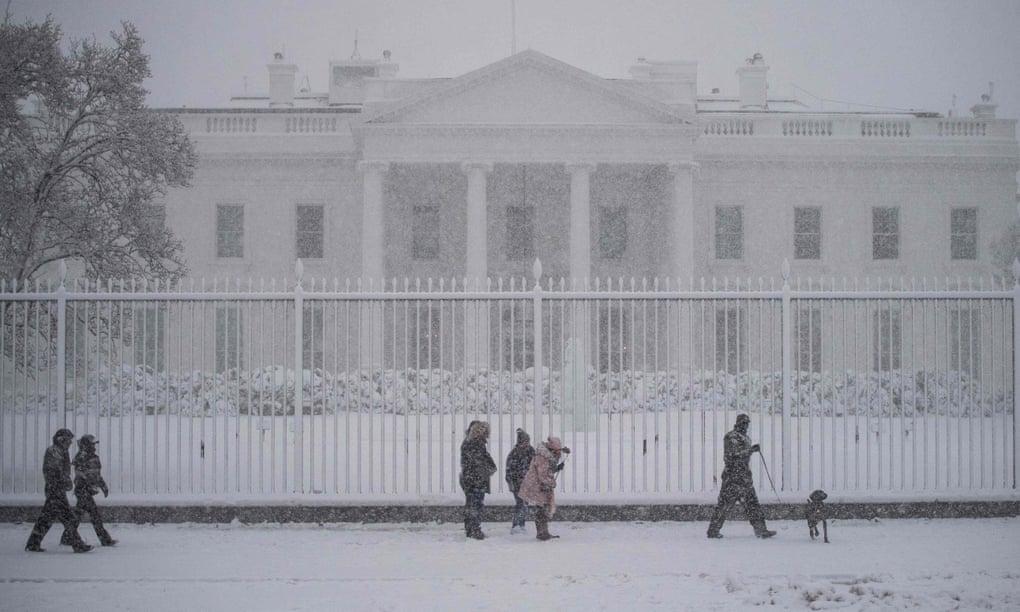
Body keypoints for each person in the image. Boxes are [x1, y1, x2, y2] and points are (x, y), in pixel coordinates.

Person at [706, 413, 776, 539]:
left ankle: (761, 530)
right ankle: (713, 530)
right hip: (732, 478)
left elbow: (742, 457)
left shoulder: (746, 438)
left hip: (744, 477)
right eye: (743, 423)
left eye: (747, 423)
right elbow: (731, 456)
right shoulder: (730, 437)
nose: (745, 425)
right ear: (738, 423)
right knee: (724, 506)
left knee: (753, 504)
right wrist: (750, 451)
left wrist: (751, 451)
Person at [24, 428, 93, 553]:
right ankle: (78, 544)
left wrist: (66, 481)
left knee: (46, 518)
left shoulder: (63, 452)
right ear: (62, 440)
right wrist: (63, 482)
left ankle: (33, 543)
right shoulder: (53, 452)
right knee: (68, 518)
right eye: (69, 440)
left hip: (57, 489)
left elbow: (63, 471)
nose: (71, 443)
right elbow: (53, 472)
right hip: (54, 489)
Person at [61, 434, 116, 547]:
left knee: (77, 515)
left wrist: (102, 485)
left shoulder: (94, 457)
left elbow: (96, 474)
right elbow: (81, 474)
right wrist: (88, 485)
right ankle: (104, 539)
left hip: (87, 490)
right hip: (82, 490)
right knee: (94, 515)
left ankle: (67, 536)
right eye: (92, 443)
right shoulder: (81, 457)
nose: (94, 446)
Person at [519, 435, 569, 541]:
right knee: (541, 509)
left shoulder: (546, 455)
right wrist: (551, 483)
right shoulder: (542, 457)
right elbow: (543, 474)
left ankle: (543, 532)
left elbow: (547, 470)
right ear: (551, 449)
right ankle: (542, 533)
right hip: (537, 485)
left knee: (542, 508)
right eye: (556, 451)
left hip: (540, 484)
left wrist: (556, 468)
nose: (558, 454)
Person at [459, 420, 496, 540]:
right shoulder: (475, 444)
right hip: (476, 479)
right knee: (475, 505)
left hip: (472, 479)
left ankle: (471, 528)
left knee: (472, 504)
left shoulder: (470, 443)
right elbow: (478, 461)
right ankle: (474, 529)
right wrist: (488, 468)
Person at [504, 428, 534, 534]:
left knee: (524, 504)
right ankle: (516, 525)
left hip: (527, 483)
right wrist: (510, 482)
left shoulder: (531, 451)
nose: (528, 443)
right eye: (526, 441)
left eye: (528, 441)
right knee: (521, 504)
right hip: (517, 483)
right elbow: (509, 470)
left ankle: (521, 524)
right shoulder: (515, 453)